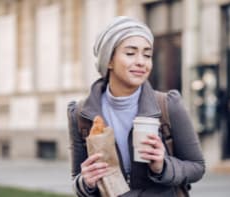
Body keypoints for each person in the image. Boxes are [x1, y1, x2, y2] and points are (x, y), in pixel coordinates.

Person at [67, 16, 205, 197]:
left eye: (147, 55)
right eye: (130, 53)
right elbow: (78, 178)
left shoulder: (168, 105)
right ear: (108, 60)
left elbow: (197, 167)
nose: (141, 62)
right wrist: (86, 182)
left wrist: (162, 166)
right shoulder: (80, 114)